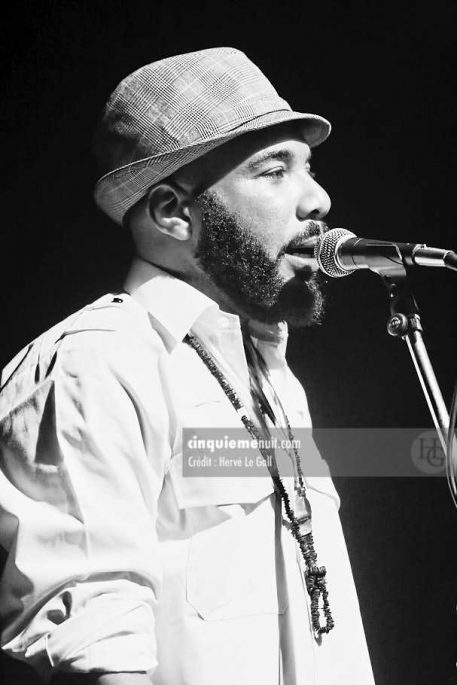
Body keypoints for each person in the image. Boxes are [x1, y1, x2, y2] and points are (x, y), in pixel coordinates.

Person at [0, 47, 375, 684]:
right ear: (174, 211)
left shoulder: (271, 373)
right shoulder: (98, 364)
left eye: (307, 168)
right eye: (272, 171)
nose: (319, 199)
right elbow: (94, 646)